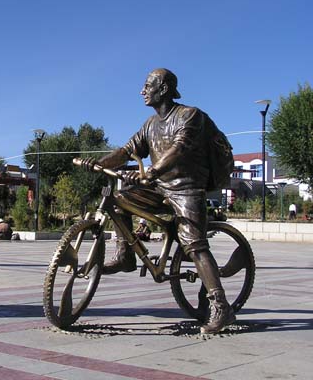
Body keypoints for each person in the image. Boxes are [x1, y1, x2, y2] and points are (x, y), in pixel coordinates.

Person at [83, 68, 235, 334]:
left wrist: (151, 171)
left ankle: (221, 306)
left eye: (147, 85)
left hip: (186, 189)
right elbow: (127, 150)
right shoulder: (150, 125)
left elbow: (179, 148)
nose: (142, 91)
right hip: (158, 188)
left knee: (194, 244)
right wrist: (98, 163)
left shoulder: (190, 116)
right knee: (119, 199)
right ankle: (125, 256)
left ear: (163, 88)